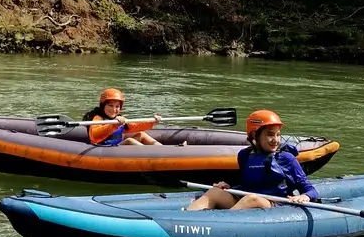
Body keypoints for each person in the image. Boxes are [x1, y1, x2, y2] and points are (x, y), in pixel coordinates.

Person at [184, 109, 319, 210]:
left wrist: (304, 196)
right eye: (270, 135)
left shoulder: (286, 158)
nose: (276, 140)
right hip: (247, 201)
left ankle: (217, 225)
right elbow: (247, 185)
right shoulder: (244, 155)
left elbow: (310, 189)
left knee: (252, 199)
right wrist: (228, 188)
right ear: (255, 135)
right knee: (215, 192)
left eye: (278, 135)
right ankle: (186, 219)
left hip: (274, 205)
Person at [83, 88, 163, 147]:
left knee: (141, 135)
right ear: (103, 105)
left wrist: (152, 122)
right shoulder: (97, 118)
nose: (114, 109)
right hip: (102, 148)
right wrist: (114, 125)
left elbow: (135, 125)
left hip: (117, 146)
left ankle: (163, 150)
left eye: (117, 106)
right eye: (110, 105)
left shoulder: (119, 118)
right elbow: (96, 135)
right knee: (129, 141)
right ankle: (154, 156)